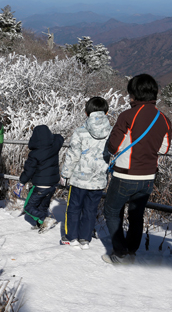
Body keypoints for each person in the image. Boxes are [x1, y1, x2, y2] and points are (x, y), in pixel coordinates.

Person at [103, 74, 172, 264]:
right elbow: (164, 148)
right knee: (136, 215)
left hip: (125, 174)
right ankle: (131, 251)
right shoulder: (164, 119)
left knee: (111, 211)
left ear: (134, 94)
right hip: (148, 176)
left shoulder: (127, 116)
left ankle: (120, 253)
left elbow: (113, 147)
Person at [60, 97, 111, 249]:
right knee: (90, 209)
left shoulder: (80, 131)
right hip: (98, 179)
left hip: (78, 179)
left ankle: (71, 237)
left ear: (86, 112)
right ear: (106, 112)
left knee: (74, 207)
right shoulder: (112, 132)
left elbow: (72, 155)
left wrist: (65, 174)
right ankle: (85, 239)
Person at [15, 125, 64, 232]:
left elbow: (28, 171)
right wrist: (50, 137)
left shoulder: (35, 154)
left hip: (40, 185)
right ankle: (41, 224)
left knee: (28, 207)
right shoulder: (55, 146)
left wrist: (21, 181)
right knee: (42, 206)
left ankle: (44, 219)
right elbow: (59, 137)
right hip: (52, 184)